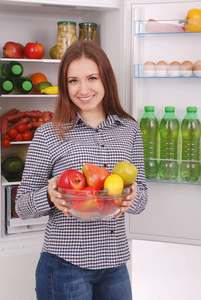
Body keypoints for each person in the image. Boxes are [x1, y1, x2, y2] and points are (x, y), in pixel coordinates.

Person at [16, 40, 148, 300]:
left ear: (106, 80)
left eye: (92, 78)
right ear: (65, 86)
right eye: (73, 80)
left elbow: (142, 196)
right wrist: (49, 195)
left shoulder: (129, 129)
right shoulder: (48, 134)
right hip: (65, 265)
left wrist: (132, 197)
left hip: (115, 264)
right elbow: (21, 206)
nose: (83, 89)